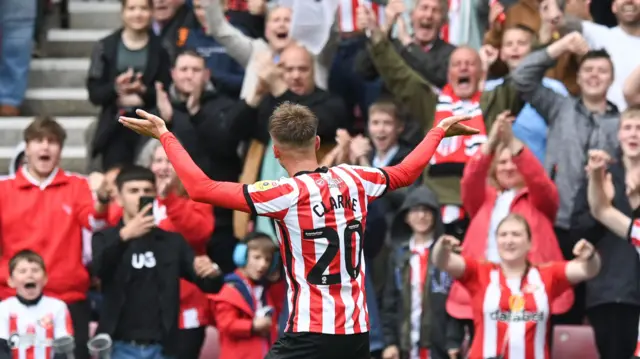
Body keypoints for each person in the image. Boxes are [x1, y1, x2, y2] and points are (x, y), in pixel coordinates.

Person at [118, 103, 478, 359]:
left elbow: (200, 188)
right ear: (318, 144)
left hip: (310, 331)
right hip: (356, 332)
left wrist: (165, 135)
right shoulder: (356, 178)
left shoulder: (283, 194)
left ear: (276, 152)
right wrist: (438, 131)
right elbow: (406, 171)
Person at [91, 166, 223, 359]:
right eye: (133, 191)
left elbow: (209, 285)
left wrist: (212, 271)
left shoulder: (172, 242)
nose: (141, 196)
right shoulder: (104, 238)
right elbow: (98, 270)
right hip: (120, 346)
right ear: (118, 197)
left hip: (164, 347)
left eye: (147, 191)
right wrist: (124, 237)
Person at [432, 214, 601, 359]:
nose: (509, 240)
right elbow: (442, 261)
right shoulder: (479, 272)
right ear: (496, 241)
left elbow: (588, 270)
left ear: (529, 243)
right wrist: (441, 247)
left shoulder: (548, 275)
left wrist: (590, 255)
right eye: (503, 235)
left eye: (516, 234)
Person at [213, 232, 286, 359]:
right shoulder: (230, 289)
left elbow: (279, 307)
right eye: (257, 257)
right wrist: (252, 326)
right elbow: (226, 324)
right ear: (241, 256)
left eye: (268, 259)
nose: (263, 264)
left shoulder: (264, 289)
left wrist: (276, 279)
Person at [0, 250, 73, 359]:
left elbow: (63, 346)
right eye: (22, 271)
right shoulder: (4, 308)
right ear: (11, 281)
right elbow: (2, 348)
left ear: (45, 279)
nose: (30, 275)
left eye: (35, 270)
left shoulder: (57, 307)